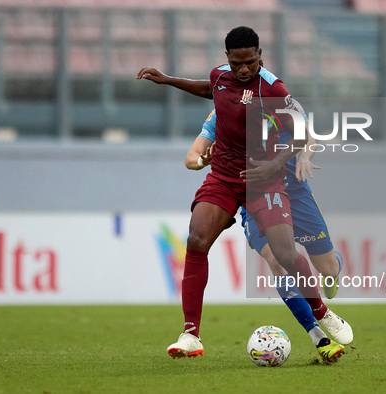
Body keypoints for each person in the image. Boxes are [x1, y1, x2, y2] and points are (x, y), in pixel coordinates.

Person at [137, 26, 345, 361]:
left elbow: (302, 134)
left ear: (259, 56)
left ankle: (320, 310)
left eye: (249, 62)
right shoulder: (220, 77)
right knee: (196, 240)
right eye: (237, 63)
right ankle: (190, 334)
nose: (243, 69)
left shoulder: (273, 88)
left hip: (264, 180)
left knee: (287, 255)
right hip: (223, 177)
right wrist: (168, 80)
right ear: (228, 59)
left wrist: (274, 163)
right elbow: (210, 89)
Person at [185, 99, 353, 347]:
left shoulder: (284, 103)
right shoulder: (222, 111)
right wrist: (203, 161)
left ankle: (333, 270)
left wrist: (305, 158)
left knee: (327, 267)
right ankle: (318, 336)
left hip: (295, 192)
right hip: (256, 196)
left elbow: (308, 139)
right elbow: (192, 157)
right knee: (277, 261)